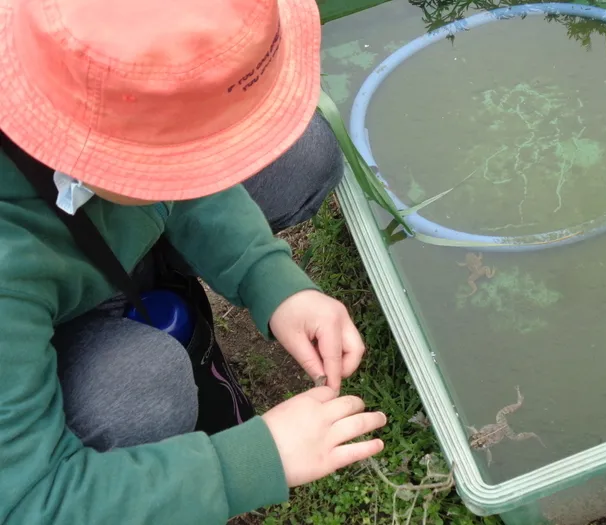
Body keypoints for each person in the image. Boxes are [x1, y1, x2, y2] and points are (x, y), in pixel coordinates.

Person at [0, 0, 388, 523]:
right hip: (38, 315)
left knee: (300, 157)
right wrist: (249, 463)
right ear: (93, 152)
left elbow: (184, 163)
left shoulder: (73, 39)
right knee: (136, 390)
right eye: (194, 160)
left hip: (97, 217)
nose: (221, 172)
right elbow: (30, 501)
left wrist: (271, 278)